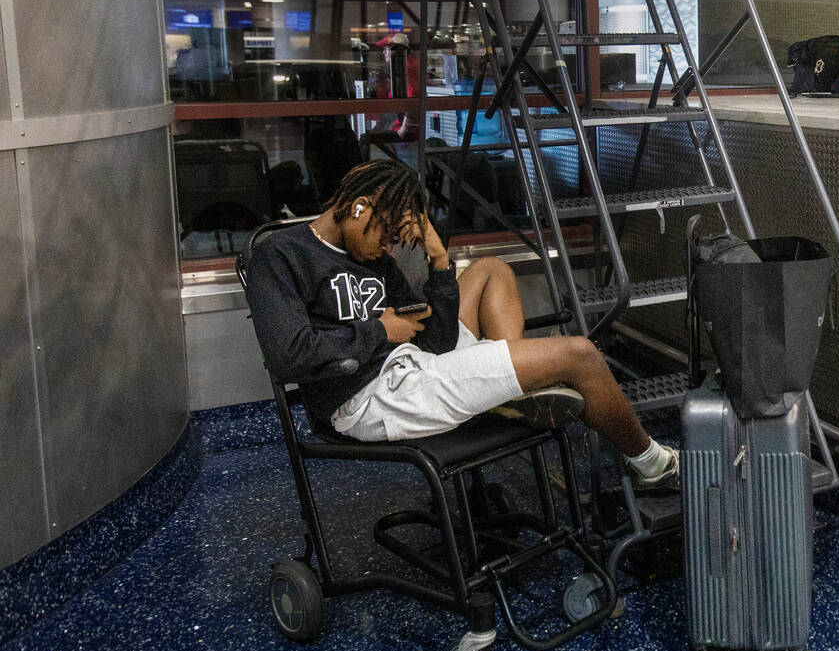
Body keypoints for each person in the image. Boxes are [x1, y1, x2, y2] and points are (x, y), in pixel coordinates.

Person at [245, 158, 679, 491]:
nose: (386, 248)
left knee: (491, 269)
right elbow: (287, 355)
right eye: (385, 233)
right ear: (359, 208)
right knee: (580, 354)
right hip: (368, 393)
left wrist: (438, 263)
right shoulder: (282, 254)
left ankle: (510, 389)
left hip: (412, 364)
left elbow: (435, 341)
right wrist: (380, 331)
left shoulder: (372, 257)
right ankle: (652, 466)